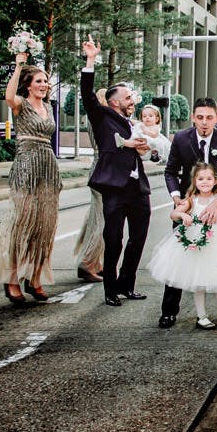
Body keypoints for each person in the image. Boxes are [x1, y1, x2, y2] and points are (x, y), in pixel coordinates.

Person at [159, 97, 217, 329]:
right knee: (178, 258)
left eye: (209, 117)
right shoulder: (181, 139)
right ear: (193, 118)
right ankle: (169, 311)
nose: (204, 122)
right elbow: (170, 172)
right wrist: (177, 198)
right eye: (199, 117)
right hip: (189, 205)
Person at [80, 37, 152, 307]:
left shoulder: (132, 122)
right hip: (114, 188)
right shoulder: (102, 116)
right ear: (113, 102)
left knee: (137, 239)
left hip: (138, 188)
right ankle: (110, 290)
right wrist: (90, 61)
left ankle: (127, 285)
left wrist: (145, 148)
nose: (132, 100)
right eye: (127, 98)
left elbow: (140, 148)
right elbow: (87, 95)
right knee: (114, 240)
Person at [0, 51, 62, 304]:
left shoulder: (50, 107)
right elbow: (8, 96)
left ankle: (34, 278)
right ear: (29, 85)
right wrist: (19, 66)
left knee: (44, 226)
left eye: (46, 82)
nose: (44, 85)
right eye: (39, 81)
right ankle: (11, 280)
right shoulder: (20, 104)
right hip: (26, 166)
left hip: (48, 167)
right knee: (20, 224)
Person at [148, 164, 217, 329]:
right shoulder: (191, 200)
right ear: (195, 181)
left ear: (215, 181)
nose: (205, 182)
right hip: (197, 246)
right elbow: (174, 213)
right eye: (201, 179)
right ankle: (201, 316)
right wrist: (183, 214)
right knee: (199, 283)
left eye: (209, 178)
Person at [73, 86, 108, 283]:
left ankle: (94, 262)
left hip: (99, 168)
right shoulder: (100, 117)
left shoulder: (98, 118)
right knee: (101, 220)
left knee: (95, 217)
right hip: (102, 170)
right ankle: (87, 263)